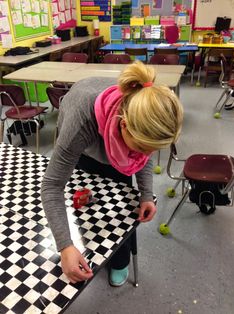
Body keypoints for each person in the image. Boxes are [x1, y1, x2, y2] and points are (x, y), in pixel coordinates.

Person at [41, 61, 183, 287]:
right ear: (124, 125)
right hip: (84, 145)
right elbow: (52, 186)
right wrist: (64, 245)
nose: (146, 156)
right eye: (141, 148)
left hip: (115, 139)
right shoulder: (80, 126)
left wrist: (146, 194)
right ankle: (86, 247)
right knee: (86, 206)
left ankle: (119, 261)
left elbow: (141, 157)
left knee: (123, 211)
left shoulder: (140, 113)